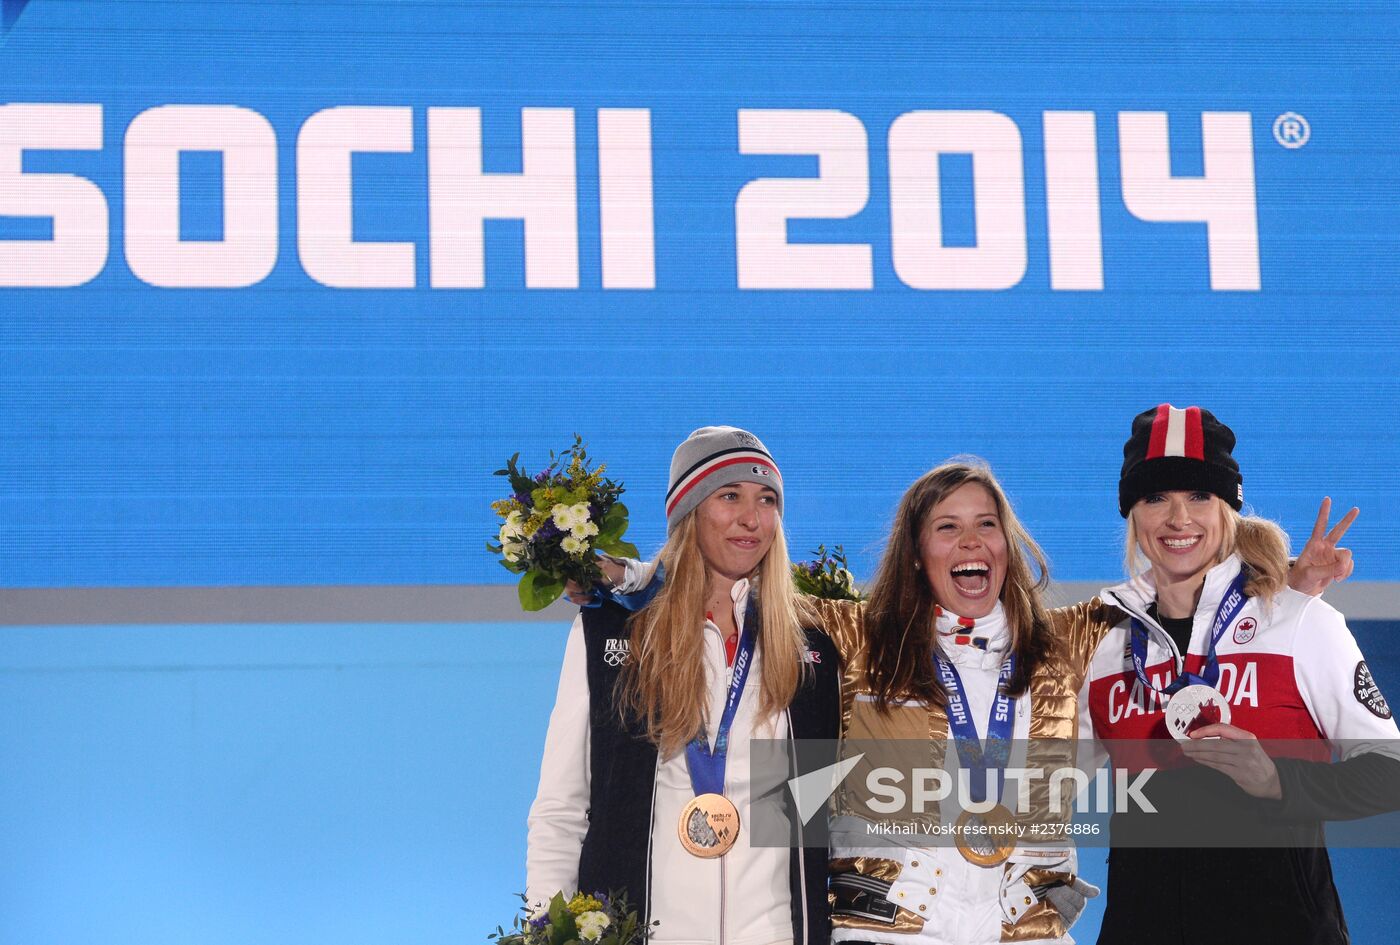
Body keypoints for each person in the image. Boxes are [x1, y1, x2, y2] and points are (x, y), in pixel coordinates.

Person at [600, 449, 1354, 945]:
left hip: (1024, 928)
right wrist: (625, 576)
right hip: (890, 931)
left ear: (1007, 542)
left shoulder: (1074, 636)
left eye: (986, 525)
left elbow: (1187, 599)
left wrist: (1286, 588)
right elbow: (745, 579)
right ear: (918, 550)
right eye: (948, 527)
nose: (971, 542)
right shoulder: (861, 635)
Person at [1080, 403, 1400, 945]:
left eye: (1199, 496)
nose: (1179, 519)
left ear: (1228, 508)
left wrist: (1278, 780)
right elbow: (1039, 783)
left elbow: (1390, 769)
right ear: (1132, 514)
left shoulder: (1297, 620)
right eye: (1156, 497)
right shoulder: (1103, 646)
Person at [526, 426, 842, 945]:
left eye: (767, 499)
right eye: (729, 495)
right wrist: (547, 930)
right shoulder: (613, 630)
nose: (752, 518)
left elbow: (806, 820)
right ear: (687, 512)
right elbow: (563, 807)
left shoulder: (806, 645)